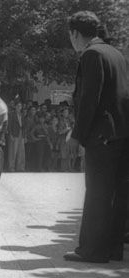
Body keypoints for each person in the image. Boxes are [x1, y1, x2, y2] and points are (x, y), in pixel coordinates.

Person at [63, 11, 129, 263]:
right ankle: (113, 249)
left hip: (102, 135)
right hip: (122, 133)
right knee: (117, 193)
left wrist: (77, 134)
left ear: (75, 33)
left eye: (71, 35)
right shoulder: (116, 54)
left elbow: (90, 98)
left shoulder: (91, 54)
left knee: (98, 193)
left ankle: (92, 250)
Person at [7, 97, 26, 172]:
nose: (19, 107)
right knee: (12, 151)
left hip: (21, 133)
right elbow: (9, 125)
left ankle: (20, 167)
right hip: (14, 133)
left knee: (21, 151)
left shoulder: (22, 115)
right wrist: (10, 134)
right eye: (18, 106)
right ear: (15, 107)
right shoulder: (11, 114)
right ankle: (11, 167)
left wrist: (24, 136)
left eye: (20, 106)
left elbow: (24, 126)